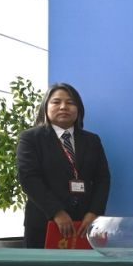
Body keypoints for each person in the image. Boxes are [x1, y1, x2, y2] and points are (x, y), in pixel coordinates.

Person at [17, 83, 111, 248]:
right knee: (42, 265)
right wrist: (56, 212)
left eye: (70, 102)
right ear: (45, 107)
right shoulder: (30, 138)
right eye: (56, 102)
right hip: (44, 222)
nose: (63, 107)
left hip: (84, 224)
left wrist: (94, 212)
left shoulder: (92, 140)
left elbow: (103, 178)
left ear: (78, 109)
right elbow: (28, 178)